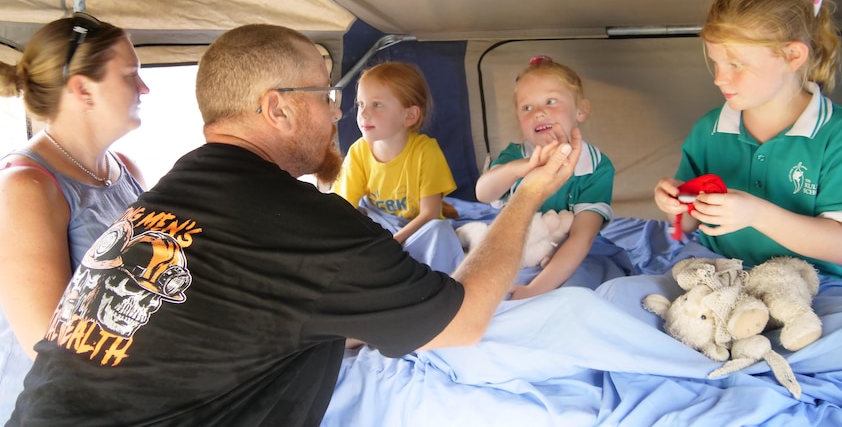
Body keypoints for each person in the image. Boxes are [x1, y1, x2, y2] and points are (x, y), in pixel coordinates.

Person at [8, 24, 579, 426]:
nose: (339, 112)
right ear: (277, 108)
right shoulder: (302, 222)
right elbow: (467, 318)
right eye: (327, 95)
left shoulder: (169, 191)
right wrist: (527, 196)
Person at [653, 0, 842, 279]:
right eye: (716, 63)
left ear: (793, 56)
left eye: (736, 64)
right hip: (718, 274)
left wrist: (756, 214)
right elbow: (692, 221)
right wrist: (675, 202)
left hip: (814, 286)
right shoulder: (709, 129)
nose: (720, 79)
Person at [0, 13, 148, 420]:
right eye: (130, 75)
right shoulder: (28, 187)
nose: (144, 87)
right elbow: (48, 347)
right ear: (83, 89)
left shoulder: (126, 169)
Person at [475, 56, 616, 299]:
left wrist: (534, 289)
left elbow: (583, 237)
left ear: (580, 110)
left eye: (551, 101)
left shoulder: (596, 167)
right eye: (527, 108)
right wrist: (524, 167)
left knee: (582, 289)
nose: (539, 113)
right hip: (517, 246)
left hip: (572, 254)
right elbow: (484, 193)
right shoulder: (514, 155)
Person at [333, 61, 462, 274]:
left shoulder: (426, 152)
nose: (364, 114)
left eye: (377, 105)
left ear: (409, 116)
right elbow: (344, 205)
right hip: (381, 225)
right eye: (361, 104)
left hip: (415, 229)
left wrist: (395, 241)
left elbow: (430, 214)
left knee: (441, 231)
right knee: (353, 221)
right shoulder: (359, 151)